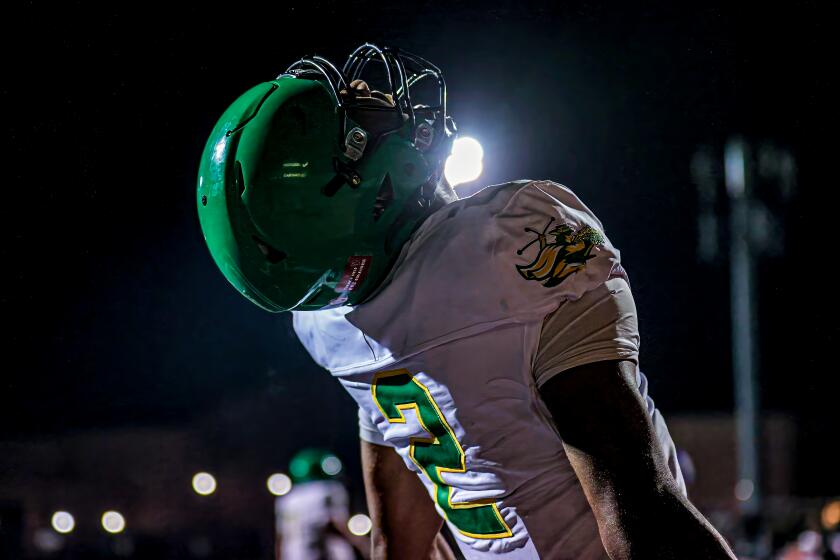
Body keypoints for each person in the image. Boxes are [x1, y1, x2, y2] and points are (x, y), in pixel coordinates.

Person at [197, 43, 736, 559]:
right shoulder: (508, 241)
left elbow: (398, 546)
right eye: (357, 128)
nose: (377, 102)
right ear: (367, 197)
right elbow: (641, 516)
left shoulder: (323, 323)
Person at [274, 449, 368, 560]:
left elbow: (281, 538)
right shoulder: (329, 490)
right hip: (324, 552)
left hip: (294, 554)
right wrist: (364, 545)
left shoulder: (286, 500)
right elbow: (336, 524)